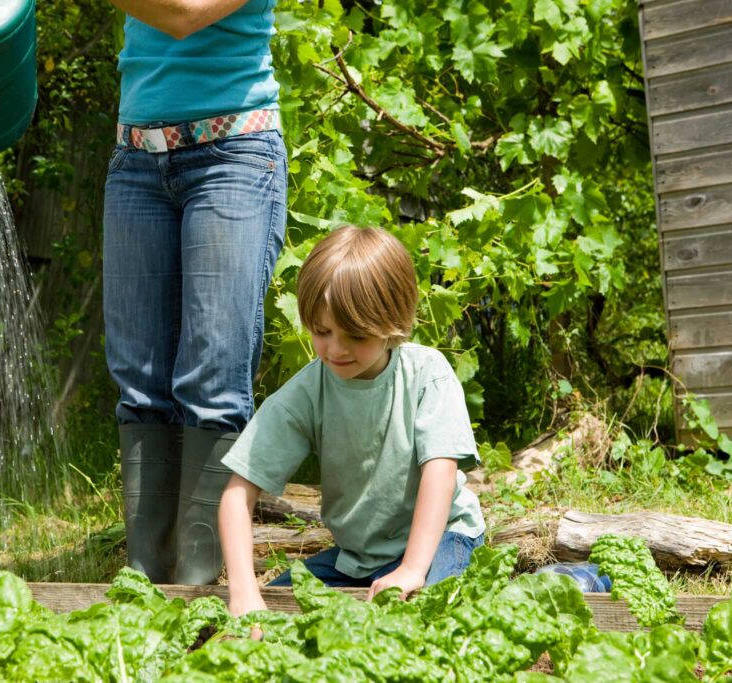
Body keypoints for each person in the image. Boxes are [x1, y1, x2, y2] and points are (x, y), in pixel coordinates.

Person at [101, 0, 287, 585]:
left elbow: (186, 11)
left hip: (232, 152)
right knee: (139, 384)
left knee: (213, 381)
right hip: (137, 159)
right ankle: (145, 580)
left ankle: (200, 585)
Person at [218, 226, 486, 616]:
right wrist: (244, 594)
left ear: (392, 321)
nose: (336, 349)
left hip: (444, 538)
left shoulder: (428, 373)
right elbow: (236, 496)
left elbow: (439, 474)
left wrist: (412, 569)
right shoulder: (307, 392)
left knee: (433, 617)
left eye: (356, 336)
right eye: (322, 332)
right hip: (359, 558)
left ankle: (575, 579)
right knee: (279, 610)